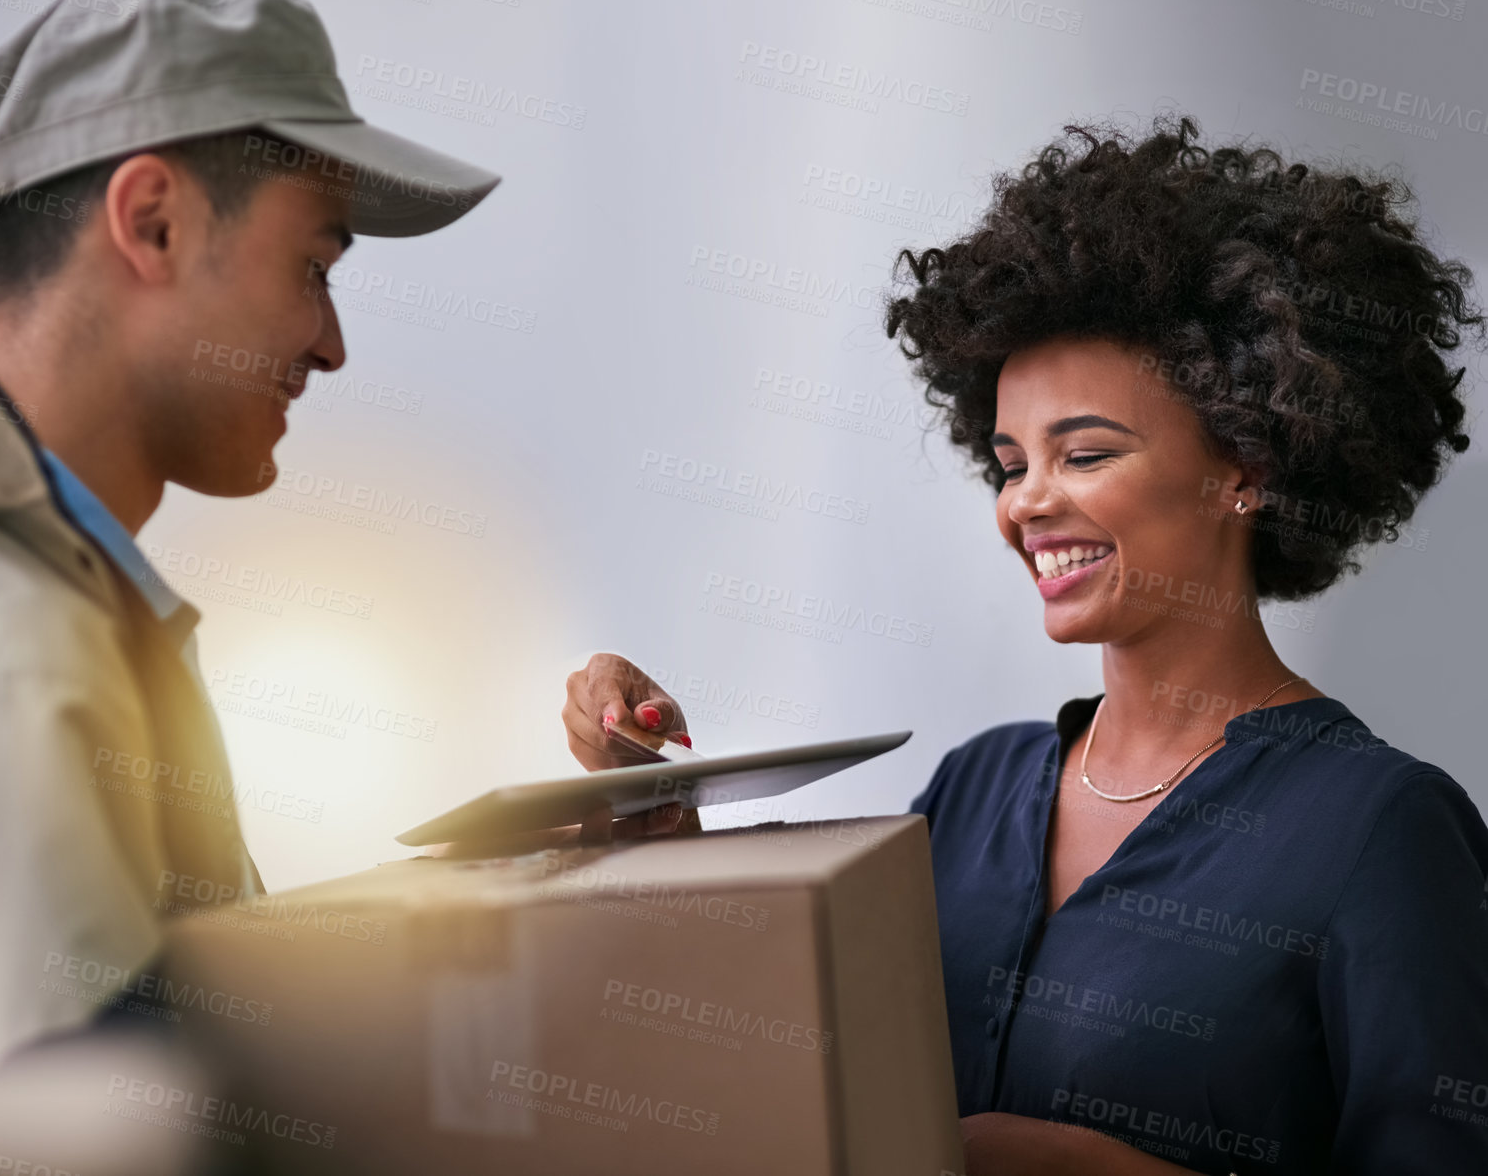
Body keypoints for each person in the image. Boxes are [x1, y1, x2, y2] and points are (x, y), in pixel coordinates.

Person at [564, 115, 1488, 1175]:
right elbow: (804, 1064)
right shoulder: (977, 787)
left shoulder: (1380, 829)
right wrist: (661, 821)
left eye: (1083, 451)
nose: (1027, 504)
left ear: (1246, 463)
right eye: (1009, 464)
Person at [0, 0, 509, 1084]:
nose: (331, 346)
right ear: (154, 222)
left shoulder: (24, 598)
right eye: (314, 266)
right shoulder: (14, 651)